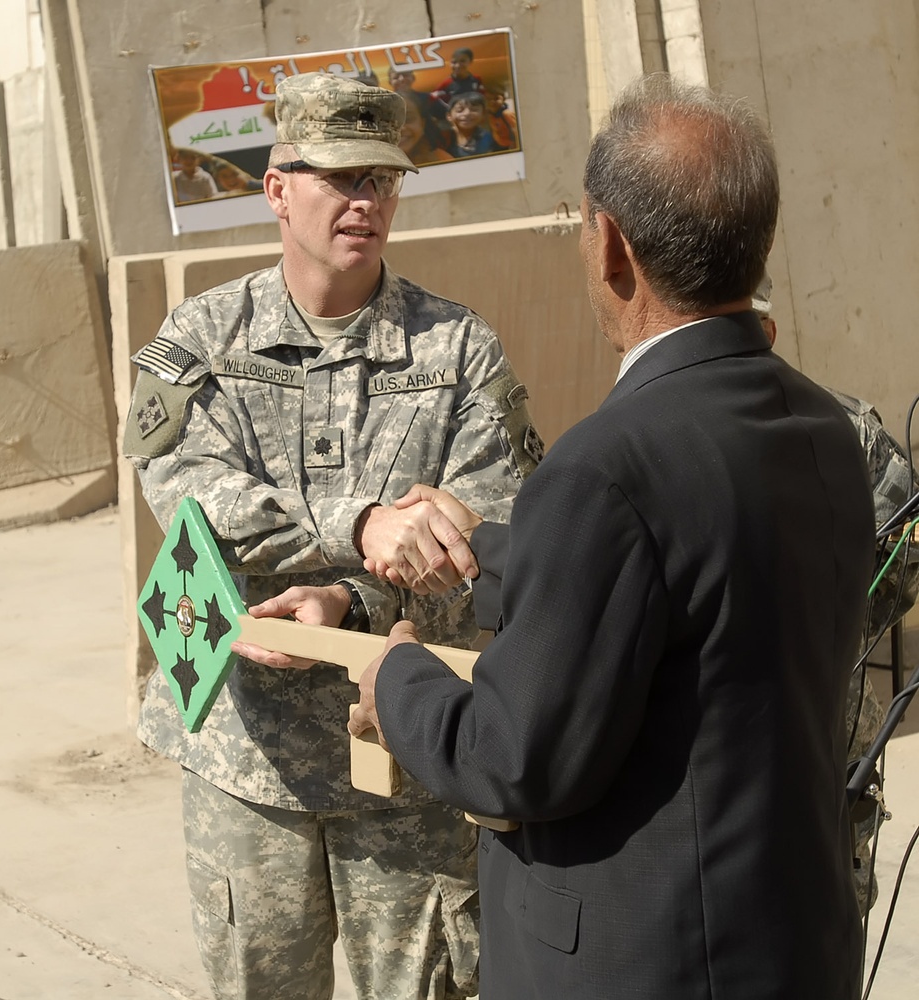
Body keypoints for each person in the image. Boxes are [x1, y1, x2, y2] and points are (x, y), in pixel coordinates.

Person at [348, 74, 875, 999]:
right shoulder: (818, 425)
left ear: (610, 245)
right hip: (790, 945)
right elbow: (692, 582)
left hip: (649, 964)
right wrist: (493, 549)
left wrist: (397, 677)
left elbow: (514, 759)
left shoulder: (605, 469)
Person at [123, 71, 541, 1000]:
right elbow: (185, 488)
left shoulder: (459, 349)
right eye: (341, 177)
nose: (367, 201)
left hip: (408, 751)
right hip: (249, 760)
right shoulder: (204, 339)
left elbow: (494, 518)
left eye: (383, 180)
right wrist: (361, 524)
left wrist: (353, 596)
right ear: (278, 189)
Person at [753, 273, 919, 914]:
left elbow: (902, 559)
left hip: (829, 744)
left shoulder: (849, 430)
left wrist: (831, 616)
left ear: (769, 332)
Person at [444, 92, 498, 159]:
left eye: (474, 109)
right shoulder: (442, 138)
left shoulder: (491, 139)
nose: (467, 113)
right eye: (460, 110)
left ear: (483, 114)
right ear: (449, 116)